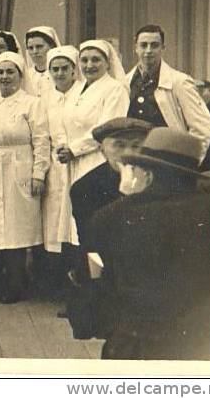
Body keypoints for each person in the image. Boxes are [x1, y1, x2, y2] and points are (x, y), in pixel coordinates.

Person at [88, 128, 210, 360]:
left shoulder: (114, 217)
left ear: (146, 175)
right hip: (202, 342)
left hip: (136, 342)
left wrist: (128, 199)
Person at [65, 117, 153, 340]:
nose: (127, 152)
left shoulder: (159, 181)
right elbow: (92, 244)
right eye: (119, 145)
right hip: (108, 274)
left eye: (136, 146)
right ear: (102, 149)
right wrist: (127, 197)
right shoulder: (85, 187)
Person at [0, 51, 49, 303]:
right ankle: (0, 278)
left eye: (10, 72)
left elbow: (41, 141)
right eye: (1, 72)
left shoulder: (32, 104)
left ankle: (17, 282)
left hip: (20, 167)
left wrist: (38, 173)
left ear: (20, 75)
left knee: (18, 226)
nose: (5, 77)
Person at [125, 24, 210, 163]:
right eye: (143, 45)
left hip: (167, 159)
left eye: (154, 45)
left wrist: (189, 160)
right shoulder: (125, 82)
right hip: (133, 158)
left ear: (163, 48)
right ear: (135, 48)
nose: (148, 50)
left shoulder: (179, 82)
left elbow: (203, 126)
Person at [58, 40, 130, 184]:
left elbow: (107, 128)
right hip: (72, 161)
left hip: (98, 159)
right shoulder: (77, 89)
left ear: (108, 63)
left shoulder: (115, 89)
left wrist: (74, 149)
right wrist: (63, 146)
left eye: (96, 60)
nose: (89, 65)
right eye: (84, 60)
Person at [41, 47, 85, 255]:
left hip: (78, 158)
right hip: (54, 162)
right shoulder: (46, 98)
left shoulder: (83, 93)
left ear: (74, 69)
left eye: (64, 68)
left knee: (75, 216)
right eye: (55, 69)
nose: (59, 73)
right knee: (54, 216)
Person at [24, 26, 61, 98]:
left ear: (52, 47)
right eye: (30, 48)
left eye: (39, 47)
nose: (35, 52)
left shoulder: (60, 74)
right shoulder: (26, 75)